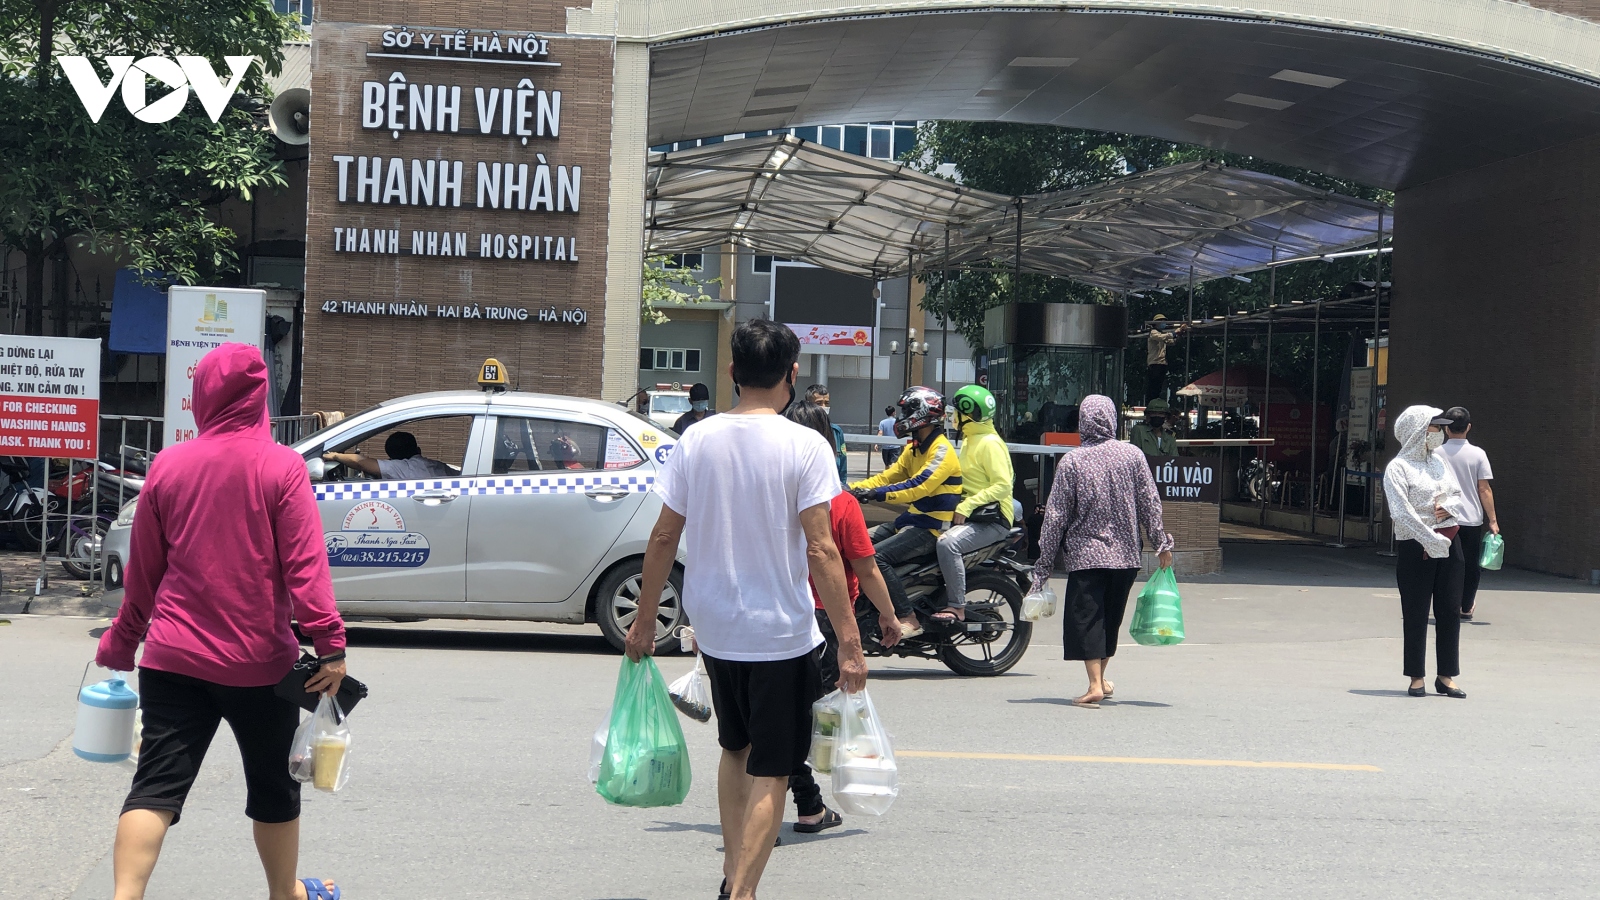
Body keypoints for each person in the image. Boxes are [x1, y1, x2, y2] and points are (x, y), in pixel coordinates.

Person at [623, 319, 867, 900]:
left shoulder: (695, 440)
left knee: (735, 750)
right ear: (793, 372)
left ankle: (737, 877)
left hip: (715, 629)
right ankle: (741, 891)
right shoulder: (806, 444)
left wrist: (642, 620)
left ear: (732, 372)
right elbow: (821, 547)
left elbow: (661, 538)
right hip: (781, 633)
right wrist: (852, 642)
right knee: (775, 769)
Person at [95, 343, 347, 900]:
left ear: (202, 395)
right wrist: (330, 645)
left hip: (171, 660)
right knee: (273, 787)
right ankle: (287, 894)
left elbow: (144, 578)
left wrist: (119, 644)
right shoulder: (281, 466)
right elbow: (306, 569)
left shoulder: (168, 466)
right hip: (259, 667)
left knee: (155, 790)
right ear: (259, 397)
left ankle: (123, 897)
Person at [781, 400, 903, 836]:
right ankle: (809, 803)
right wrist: (890, 616)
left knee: (787, 715)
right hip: (827, 621)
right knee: (813, 716)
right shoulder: (840, 502)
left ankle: (804, 800)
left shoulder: (774, 494)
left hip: (780, 617)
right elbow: (867, 568)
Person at [1030, 395, 1174, 708]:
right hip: (1124, 555)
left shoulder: (1072, 462)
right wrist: (1161, 542)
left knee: (1088, 617)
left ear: (1083, 421)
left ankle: (1095, 684)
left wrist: (1042, 565)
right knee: (1110, 618)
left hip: (1086, 556)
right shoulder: (1132, 455)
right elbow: (1150, 502)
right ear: (1112, 420)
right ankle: (1101, 680)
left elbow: (1055, 517)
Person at [849, 386, 963, 638]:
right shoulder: (915, 448)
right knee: (852, 546)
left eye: (907, 411)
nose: (902, 417)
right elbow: (889, 476)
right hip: (909, 521)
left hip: (930, 528)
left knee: (875, 557)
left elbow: (916, 487)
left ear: (924, 413)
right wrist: (851, 489)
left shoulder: (941, 451)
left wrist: (875, 495)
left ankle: (906, 615)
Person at [1383, 405, 1468, 698]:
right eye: (1434, 428)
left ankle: (1446, 675)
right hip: (1415, 545)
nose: (1439, 434)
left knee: (1449, 610)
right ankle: (1416, 676)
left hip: (1450, 539)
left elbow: (1457, 495)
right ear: (1417, 431)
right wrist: (1429, 539)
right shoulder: (1398, 467)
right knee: (1416, 611)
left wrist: (1449, 508)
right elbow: (1401, 512)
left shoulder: (1439, 462)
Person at [932, 385, 1016, 622]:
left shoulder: (989, 443)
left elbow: (1003, 485)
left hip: (993, 519)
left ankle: (957, 606)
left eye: (956, 412)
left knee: (948, 545)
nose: (951, 416)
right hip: (975, 516)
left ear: (968, 414)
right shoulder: (970, 440)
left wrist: (967, 506)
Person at [1439, 406, 1499, 621]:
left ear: (1446, 429)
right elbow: (1484, 489)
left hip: (1442, 516)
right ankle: (1465, 606)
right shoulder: (1478, 454)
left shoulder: (1436, 454)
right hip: (1471, 518)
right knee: (1470, 565)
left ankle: (1446, 604)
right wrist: (1492, 519)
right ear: (1469, 427)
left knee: (1444, 562)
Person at [322, 430, 453, 479]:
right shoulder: (437, 466)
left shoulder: (404, 468)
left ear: (392, 458)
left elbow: (360, 462)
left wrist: (334, 456)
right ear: (418, 450)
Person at [804, 385, 850, 481]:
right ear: (808, 404)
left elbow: (842, 466)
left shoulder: (836, 432)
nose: (823, 407)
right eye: (819, 403)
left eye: (827, 403)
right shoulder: (802, 430)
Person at [1145, 315, 1183, 402]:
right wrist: (1175, 332)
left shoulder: (1161, 333)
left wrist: (1179, 335)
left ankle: (1154, 401)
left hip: (1161, 363)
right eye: (1161, 321)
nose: (1164, 323)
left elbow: (1171, 342)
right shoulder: (1153, 332)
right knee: (1153, 386)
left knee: (1158, 386)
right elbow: (1162, 337)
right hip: (1155, 363)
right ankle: (1150, 403)